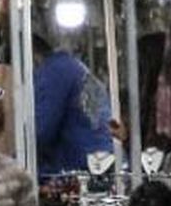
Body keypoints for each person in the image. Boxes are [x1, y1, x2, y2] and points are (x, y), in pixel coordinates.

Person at [32, 34, 113, 177]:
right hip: (106, 159)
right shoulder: (75, 67)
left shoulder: (53, 72)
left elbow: (40, 132)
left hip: (83, 168)